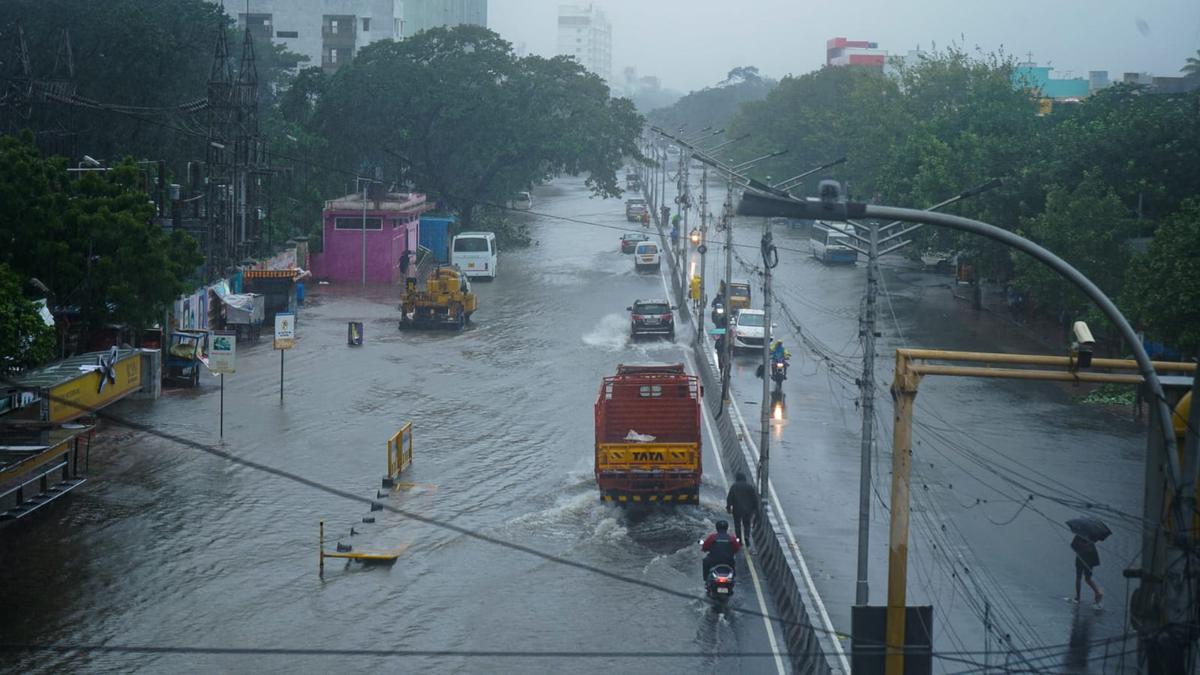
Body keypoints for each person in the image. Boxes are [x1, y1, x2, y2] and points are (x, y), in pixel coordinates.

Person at [726, 472, 759, 547]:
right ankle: (746, 536)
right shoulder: (749, 487)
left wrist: (728, 507)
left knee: (737, 525)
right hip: (748, 510)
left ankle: (739, 540)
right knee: (747, 524)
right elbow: (755, 499)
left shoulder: (734, 486)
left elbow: (729, 498)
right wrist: (755, 510)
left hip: (737, 509)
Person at [1072, 535, 1103, 606]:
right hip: (1090, 559)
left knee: (1078, 578)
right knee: (1088, 578)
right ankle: (1098, 592)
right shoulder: (1092, 536)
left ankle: (1078, 597)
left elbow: (1073, 545)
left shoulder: (1079, 535)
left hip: (1082, 558)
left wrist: (1081, 547)